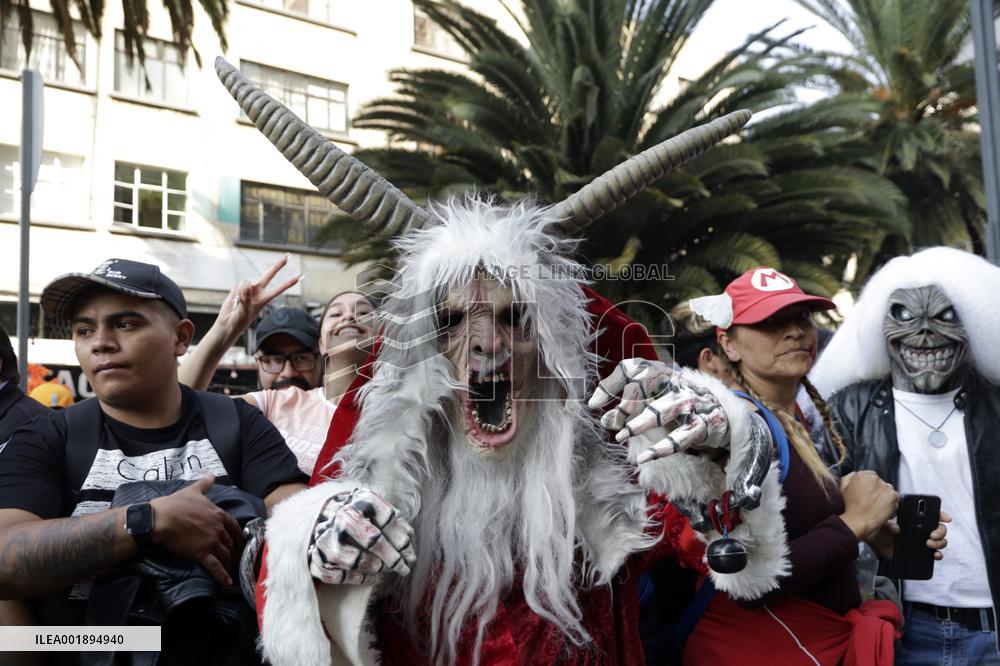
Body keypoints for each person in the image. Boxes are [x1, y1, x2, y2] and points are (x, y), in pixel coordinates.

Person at [611, 266, 948, 665]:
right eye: (770, 322)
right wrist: (853, 522)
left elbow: (794, 530)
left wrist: (873, 532)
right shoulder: (729, 429)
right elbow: (747, 579)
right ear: (728, 345)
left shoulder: (786, 420)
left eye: (802, 317)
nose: (795, 331)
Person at [0, 258, 308, 664]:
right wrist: (146, 522)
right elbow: (5, 559)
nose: (101, 342)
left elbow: (300, 526)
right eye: (84, 329)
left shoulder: (238, 421)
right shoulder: (48, 435)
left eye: (125, 324)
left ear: (181, 337)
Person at [812, 246, 1000, 664]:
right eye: (904, 315)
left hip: (993, 628)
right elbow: (820, 512)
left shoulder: (996, 402)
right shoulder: (849, 409)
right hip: (904, 627)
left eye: (945, 316)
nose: (925, 333)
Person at [178, 256, 376, 476]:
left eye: (364, 313)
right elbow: (179, 406)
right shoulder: (275, 403)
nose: (349, 316)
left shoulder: (404, 412)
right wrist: (225, 331)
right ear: (322, 344)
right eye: (336, 313)